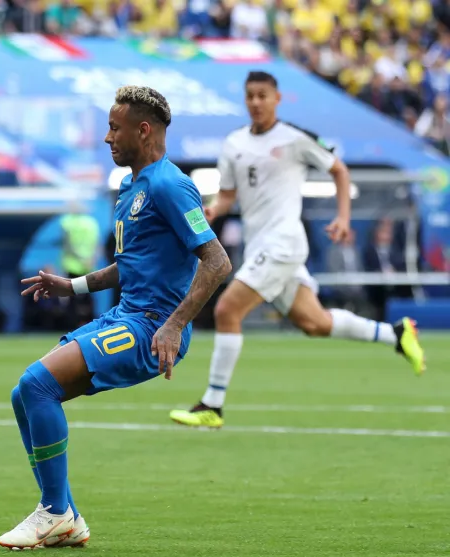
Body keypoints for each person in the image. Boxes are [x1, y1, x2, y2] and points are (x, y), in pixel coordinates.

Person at [2, 86, 232, 549]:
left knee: (36, 384)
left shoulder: (169, 184)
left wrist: (173, 324)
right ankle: (66, 517)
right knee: (22, 395)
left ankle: (53, 512)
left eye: (114, 128)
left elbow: (217, 262)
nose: (107, 138)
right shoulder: (131, 186)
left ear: (142, 130)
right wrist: (74, 286)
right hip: (125, 316)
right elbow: (130, 265)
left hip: (151, 327)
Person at [169, 71, 425, 430]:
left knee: (227, 309)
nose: (256, 102)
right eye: (250, 96)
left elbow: (339, 169)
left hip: (283, 243)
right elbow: (229, 195)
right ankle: (396, 334)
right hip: (261, 245)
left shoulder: (293, 138)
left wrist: (343, 217)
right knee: (315, 323)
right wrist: (213, 209)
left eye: (263, 95)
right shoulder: (233, 144)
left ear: (277, 99)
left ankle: (212, 404)